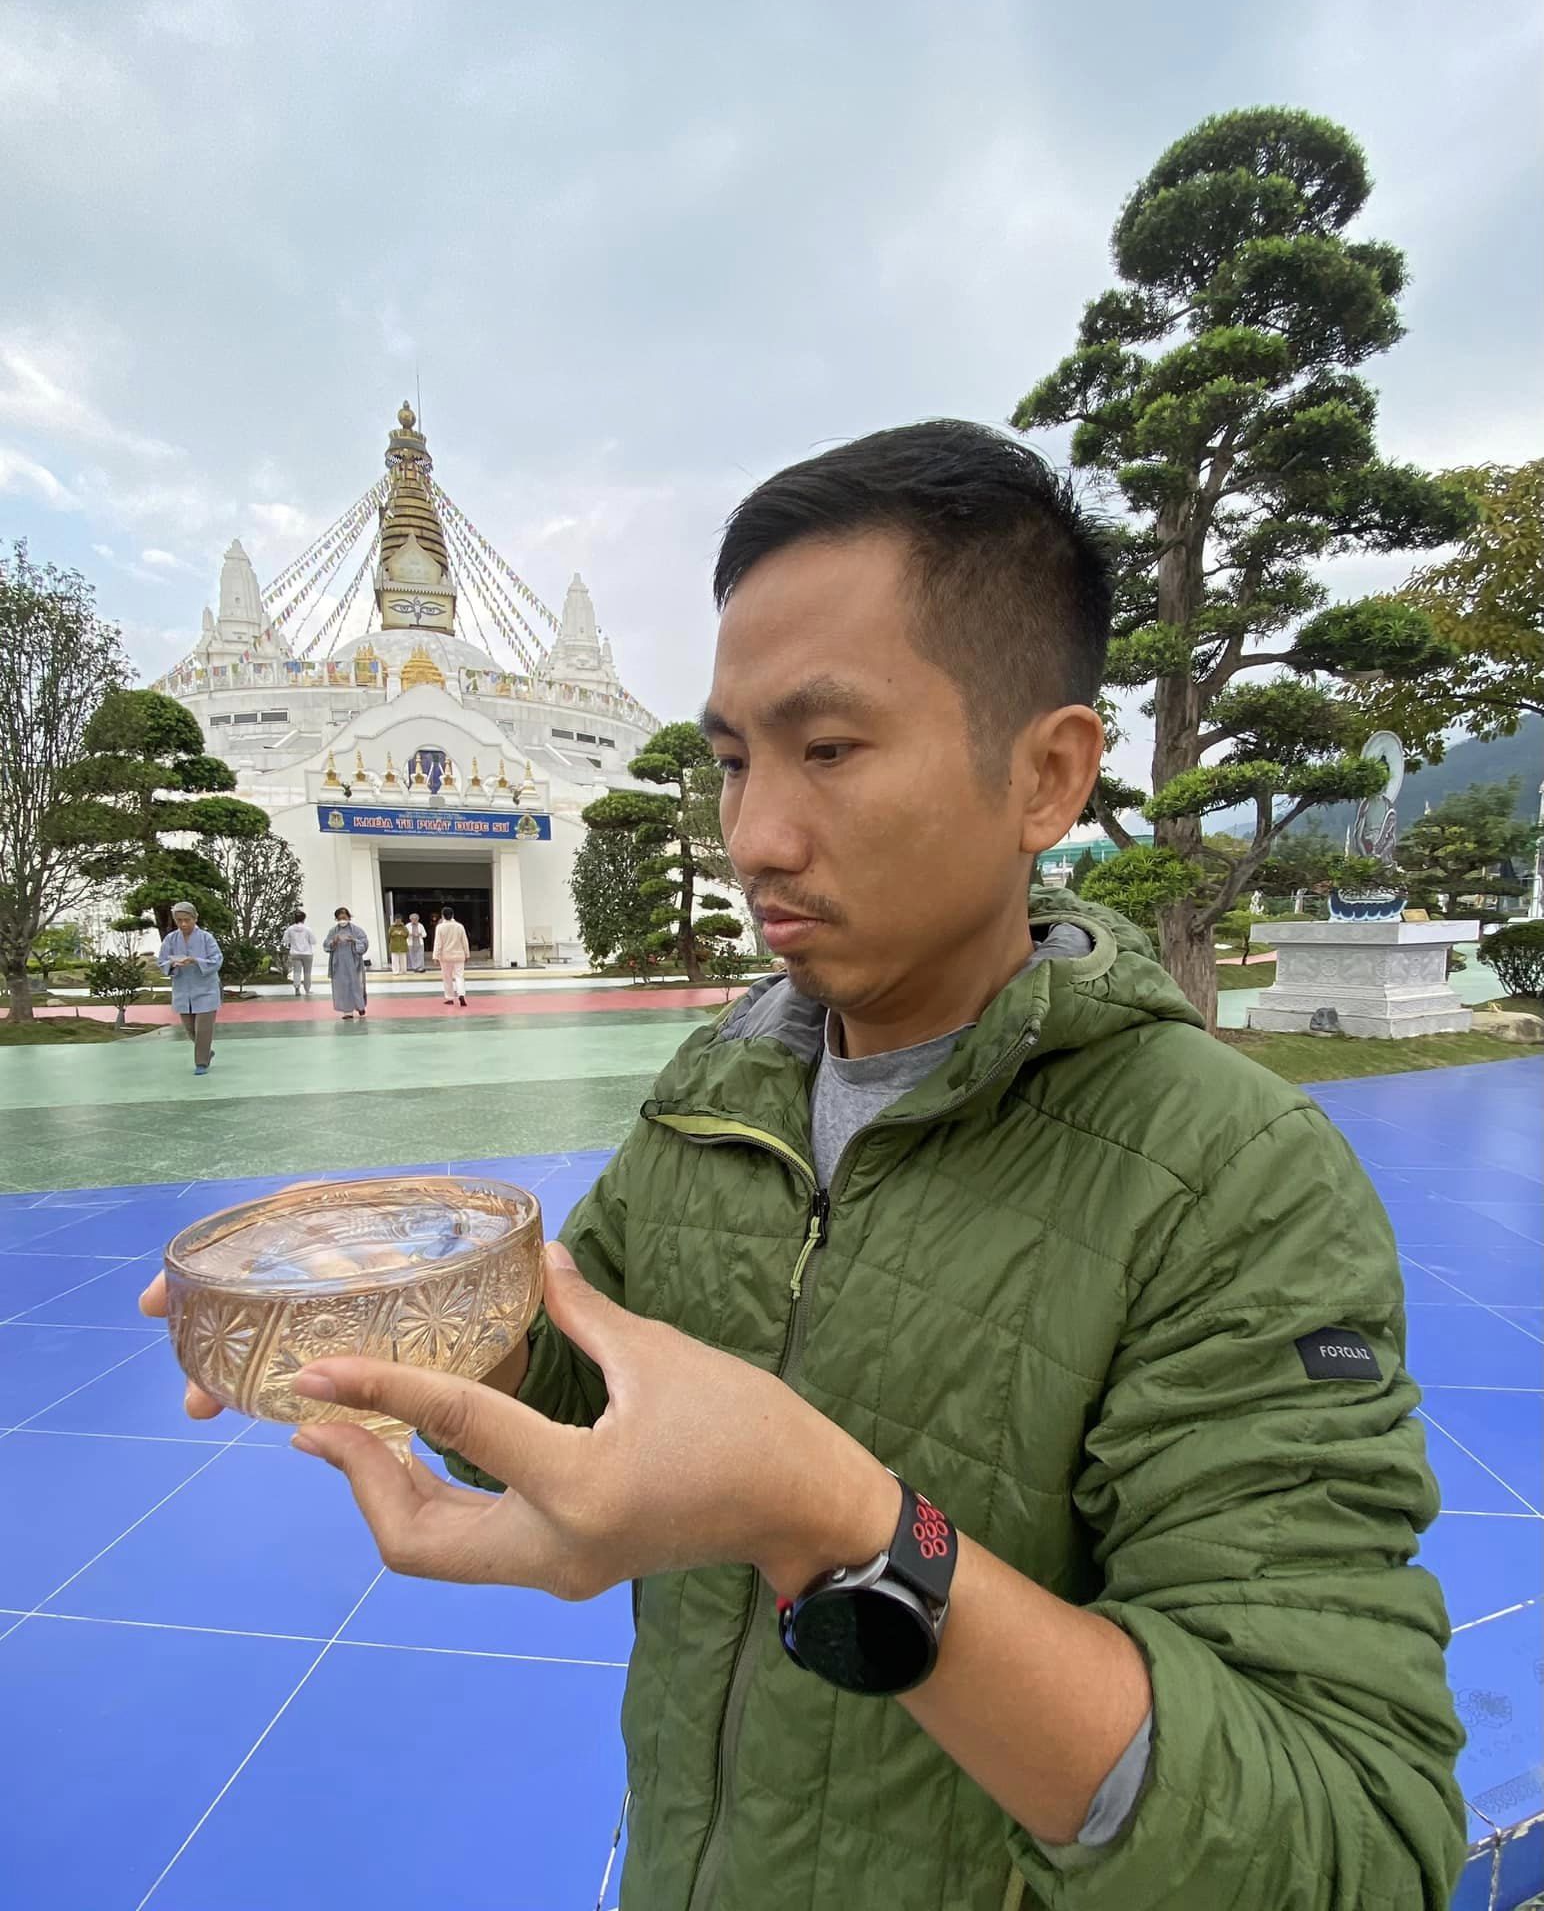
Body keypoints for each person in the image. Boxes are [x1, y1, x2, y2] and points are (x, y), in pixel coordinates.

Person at [145, 424, 1464, 1911]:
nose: (755, 835)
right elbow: (586, 1387)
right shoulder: (725, 1085)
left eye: (829, 749)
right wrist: (423, 1321)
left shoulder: (1230, 1180)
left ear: (1047, 776)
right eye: (730, 760)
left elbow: (1348, 1839)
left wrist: (838, 1525)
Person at [156, 900, 222, 1074]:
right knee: (190, 1029)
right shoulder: (171, 939)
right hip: (183, 990)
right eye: (179, 920)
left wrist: (196, 961)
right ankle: (206, 1052)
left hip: (206, 990)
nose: (183, 924)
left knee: (203, 1030)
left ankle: (201, 1063)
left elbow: (217, 960)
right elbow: (162, 961)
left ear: (195, 918)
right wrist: (172, 964)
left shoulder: (206, 938)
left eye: (187, 920)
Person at [323, 906, 369, 1020]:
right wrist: (333, 942)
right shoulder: (333, 931)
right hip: (339, 963)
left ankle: (360, 1006)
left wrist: (354, 940)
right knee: (342, 987)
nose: (342, 920)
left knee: (357, 985)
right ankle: (347, 1011)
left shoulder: (357, 930)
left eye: (344, 918)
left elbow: (364, 943)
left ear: (349, 917)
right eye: (339, 918)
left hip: (354, 963)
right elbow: (326, 945)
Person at [431, 904, 469, 1007]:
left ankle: (450, 997)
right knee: (459, 976)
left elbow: (437, 943)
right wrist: (467, 954)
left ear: (442, 915)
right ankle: (461, 994)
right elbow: (464, 941)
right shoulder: (459, 926)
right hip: (459, 956)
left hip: (445, 957)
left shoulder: (440, 927)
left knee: (447, 977)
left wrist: (435, 956)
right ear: (453, 915)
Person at [280, 910, 316, 998]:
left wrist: (292, 942)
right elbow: (313, 941)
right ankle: (307, 990)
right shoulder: (307, 929)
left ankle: (297, 989)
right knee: (307, 973)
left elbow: (285, 940)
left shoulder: (290, 929)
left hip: (295, 953)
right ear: (304, 919)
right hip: (307, 953)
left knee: (297, 972)